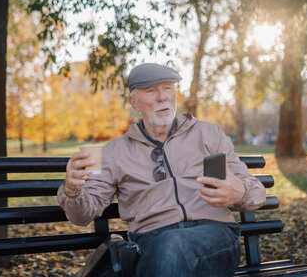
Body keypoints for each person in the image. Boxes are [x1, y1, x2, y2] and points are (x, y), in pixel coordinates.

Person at [57, 63, 266, 277]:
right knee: (168, 248)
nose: (162, 97)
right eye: (151, 91)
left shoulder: (208, 134)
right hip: (149, 239)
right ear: (134, 102)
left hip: (214, 235)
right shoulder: (114, 152)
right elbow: (82, 215)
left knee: (172, 245)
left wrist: (240, 192)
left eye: (168, 88)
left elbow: (256, 192)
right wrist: (72, 189)